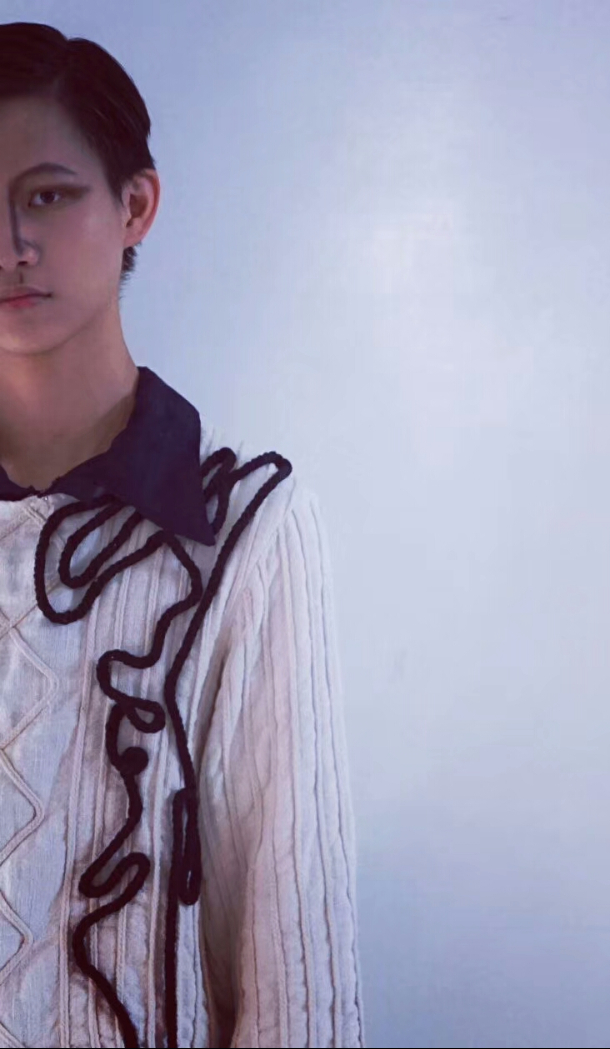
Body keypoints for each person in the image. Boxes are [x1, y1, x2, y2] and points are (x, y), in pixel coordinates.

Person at [0, 22, 363, 1048]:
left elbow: (297, 972)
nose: (9, 244)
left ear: (136, 206)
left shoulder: (248, 530)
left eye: (47, 195)